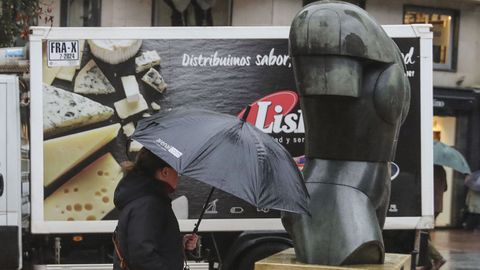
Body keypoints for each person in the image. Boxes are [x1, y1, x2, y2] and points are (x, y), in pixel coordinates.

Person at [113, 147, 198, 270]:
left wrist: (178, 243)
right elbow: (142, 255)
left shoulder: (143, 198)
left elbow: (145, 241)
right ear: (165, 172)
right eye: (177, 172)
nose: (178, 177)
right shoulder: (149, 203)